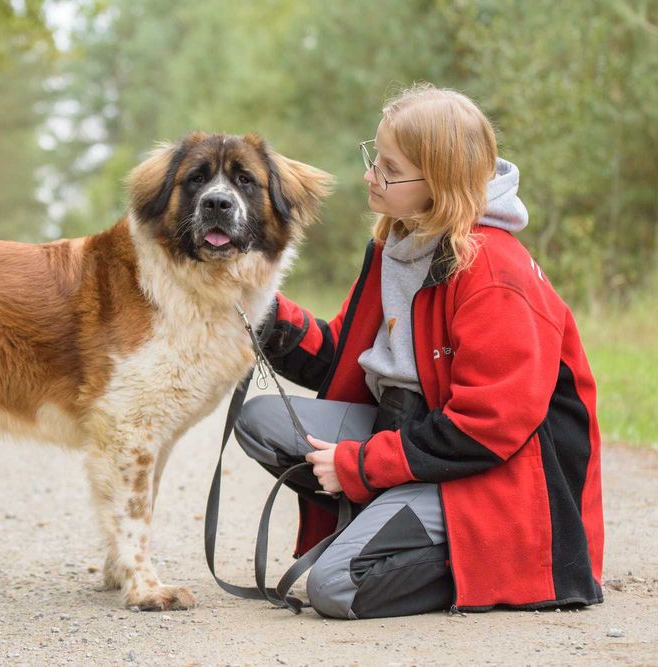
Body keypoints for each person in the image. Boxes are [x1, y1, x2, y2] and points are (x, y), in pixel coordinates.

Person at [235, 84, 604, 619]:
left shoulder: (493, 272)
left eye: (389, 169)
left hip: (492, 477)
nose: (370, 177)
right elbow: (341, 356)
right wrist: (256, 303)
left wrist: (362, 465)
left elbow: (487, 426)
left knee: (336, 589)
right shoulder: (399, 245)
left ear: (441, 183)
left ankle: (487, 564)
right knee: (262, 420)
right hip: (415, 440)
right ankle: (388, 523)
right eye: (374, 158)